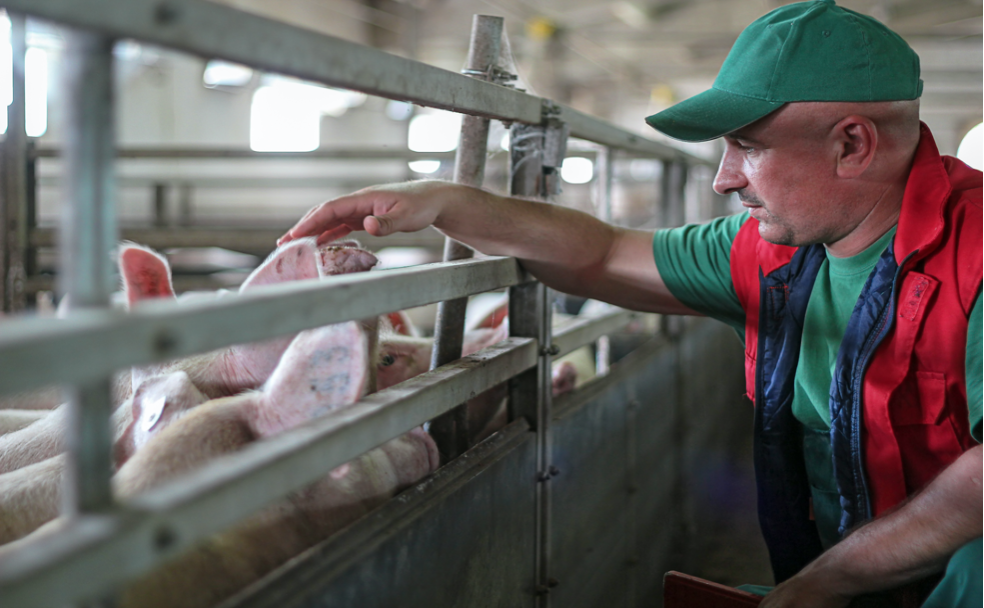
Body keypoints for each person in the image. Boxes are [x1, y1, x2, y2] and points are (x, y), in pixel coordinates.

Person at [280, 0, 982, 605]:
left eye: (746, 146)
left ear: (852, 145)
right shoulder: (773, 254)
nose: (723, 179)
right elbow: (602, 252)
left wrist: (830, 579)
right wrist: (442, 203)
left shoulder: (975, 252)